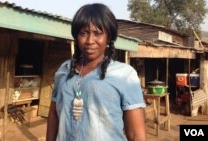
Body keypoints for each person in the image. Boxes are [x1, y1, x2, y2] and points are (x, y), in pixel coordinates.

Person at [46, 3, 147, 141]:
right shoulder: (64, 70)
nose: (89, 41)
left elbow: (136, 134)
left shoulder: (124, 75)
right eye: (83, 33)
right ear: (76, 37)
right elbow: (53, 114)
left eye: (98, 33)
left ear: (109, 37)